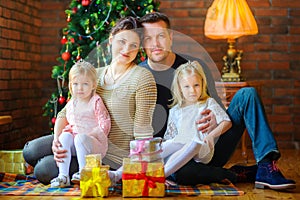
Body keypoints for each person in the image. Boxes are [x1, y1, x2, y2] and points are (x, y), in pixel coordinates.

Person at [139, 12, 296, 190]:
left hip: (210, 144)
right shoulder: (138, 76)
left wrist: (214, 121)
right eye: (148, 38)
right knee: (180, 173)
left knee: (247, 94)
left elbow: (216, 108)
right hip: (176, 154)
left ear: (171, 37)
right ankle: (236, 174)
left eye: (161, 36)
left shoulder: (194, 67)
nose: (155, 44)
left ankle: (267, 166)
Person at [23, 16, 157, 185]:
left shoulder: (143, 78)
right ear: (110, 40)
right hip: (77, 135)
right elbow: (67, 111)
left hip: (108, 154)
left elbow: (143, 134)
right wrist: (57, 140)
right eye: (121, 42)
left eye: (133, 46)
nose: (126, 49)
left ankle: (75, 169)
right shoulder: (95, 74)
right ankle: (63, 155)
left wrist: (125, 170)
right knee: (30, 151)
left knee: (43, 169)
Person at [108, 60, 232, 185]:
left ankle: (159, 176)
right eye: (187, 86)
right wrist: (160, 146)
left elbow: (226, 122)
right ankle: (118, 174)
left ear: (202, 84)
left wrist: (211, 136)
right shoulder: (176, 110)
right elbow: (170, 137)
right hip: (182, 148)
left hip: (202, 149)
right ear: (180, 88)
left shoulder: (207, 103)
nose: (192, 91)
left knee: (186, 143)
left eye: (196, 85)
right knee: (161, 149)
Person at [50, 60, 111, 188]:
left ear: (93, 85)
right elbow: (67, 118)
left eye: (85, 84)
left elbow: (105, 124)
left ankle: (84, 172)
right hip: (76, 142)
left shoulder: (95, 101)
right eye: (76, 84)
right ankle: (63, 176)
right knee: (64, 137)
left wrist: (89, 134)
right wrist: (62, 135)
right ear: (71, 85)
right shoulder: (73, 102)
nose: (80, 88)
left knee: (80, 138)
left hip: (93, 143)